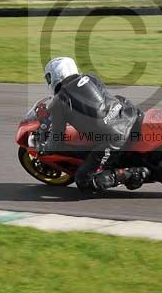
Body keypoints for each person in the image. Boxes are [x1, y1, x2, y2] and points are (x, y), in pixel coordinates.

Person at [39, 56, 150, 193]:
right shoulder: (90, 78)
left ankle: (135, 173)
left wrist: (44, 147)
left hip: (113, 138)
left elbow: (57, 139)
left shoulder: (59, 101)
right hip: (130, 115)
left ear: (57, 75)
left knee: (84, 180)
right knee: (119, 99)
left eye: (49, 77)